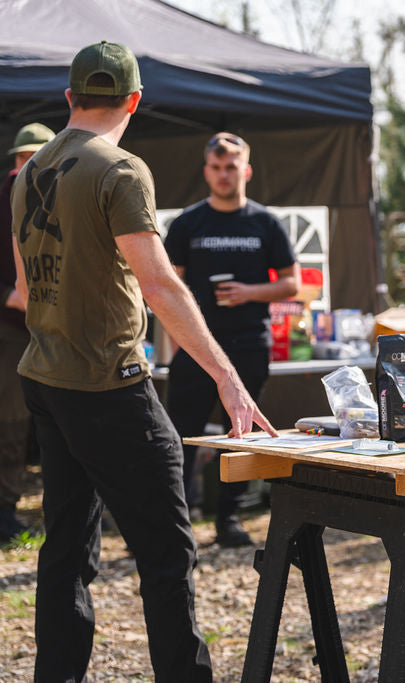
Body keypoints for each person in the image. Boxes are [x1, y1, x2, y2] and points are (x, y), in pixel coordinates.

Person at [11, 41, 274, 681]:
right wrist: (228, 377)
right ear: (134, 101)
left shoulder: (27, 174)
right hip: (107, 384)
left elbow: (23, 291)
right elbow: (160, 286)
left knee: (66, 549)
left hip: (46, 375)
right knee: (166, 551)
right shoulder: (120, 169)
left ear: (70, 97)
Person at [164, 132, 298, 547]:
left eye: (232, 167)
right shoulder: (188, 223)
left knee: (239, 437)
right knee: (180, 436)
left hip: (249, 345)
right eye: (217, 167)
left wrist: (249, 292)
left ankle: (229, 520)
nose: (224, 175)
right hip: (196, 348)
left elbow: (292, 283)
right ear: (206, 171)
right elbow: (167, 287)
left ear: (247, 170)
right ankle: (175, 525)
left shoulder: (265, 223)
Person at [1, 123, 53, 542]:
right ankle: (4, 509)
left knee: (41, 420)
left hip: (50, 328)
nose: (28, 166)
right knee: (11, 421)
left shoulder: (56, 196)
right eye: (24, 159)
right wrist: (8, 297)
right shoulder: (5, 200)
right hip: (11, 331)